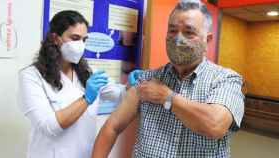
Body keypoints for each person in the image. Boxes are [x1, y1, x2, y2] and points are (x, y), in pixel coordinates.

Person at [91, 1, 245, 158]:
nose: (178, 39)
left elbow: (214, 125)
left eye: (189, 32)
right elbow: (112, 127)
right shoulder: (147, 79)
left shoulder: (226, 79)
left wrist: (167, 97)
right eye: (172, 30)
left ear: (208, 40)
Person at [18, 10, 111, 158]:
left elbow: (118, 93)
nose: (80, 45)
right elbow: (49, 126)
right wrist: (86, 99)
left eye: (83, 40)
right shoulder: (32, 76)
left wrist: (132, 84)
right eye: (75, 38)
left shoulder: (88, 72)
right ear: (55, 38)